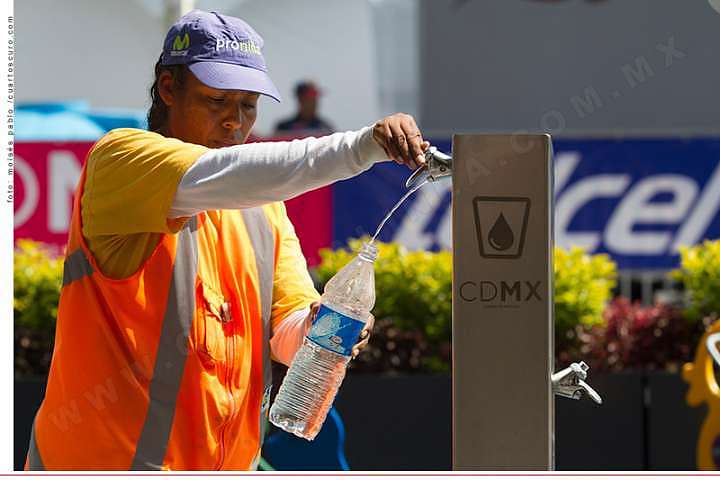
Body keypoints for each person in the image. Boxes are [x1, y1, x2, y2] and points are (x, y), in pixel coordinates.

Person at [25, 10, 429, 471]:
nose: (235, 122)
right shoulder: (119, 158)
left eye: (248, 105)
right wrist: (362, 147)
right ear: (168, 88)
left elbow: (288, 333)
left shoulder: (263, 205)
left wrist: (321, 329)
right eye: (217, 101)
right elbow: (225, 173)